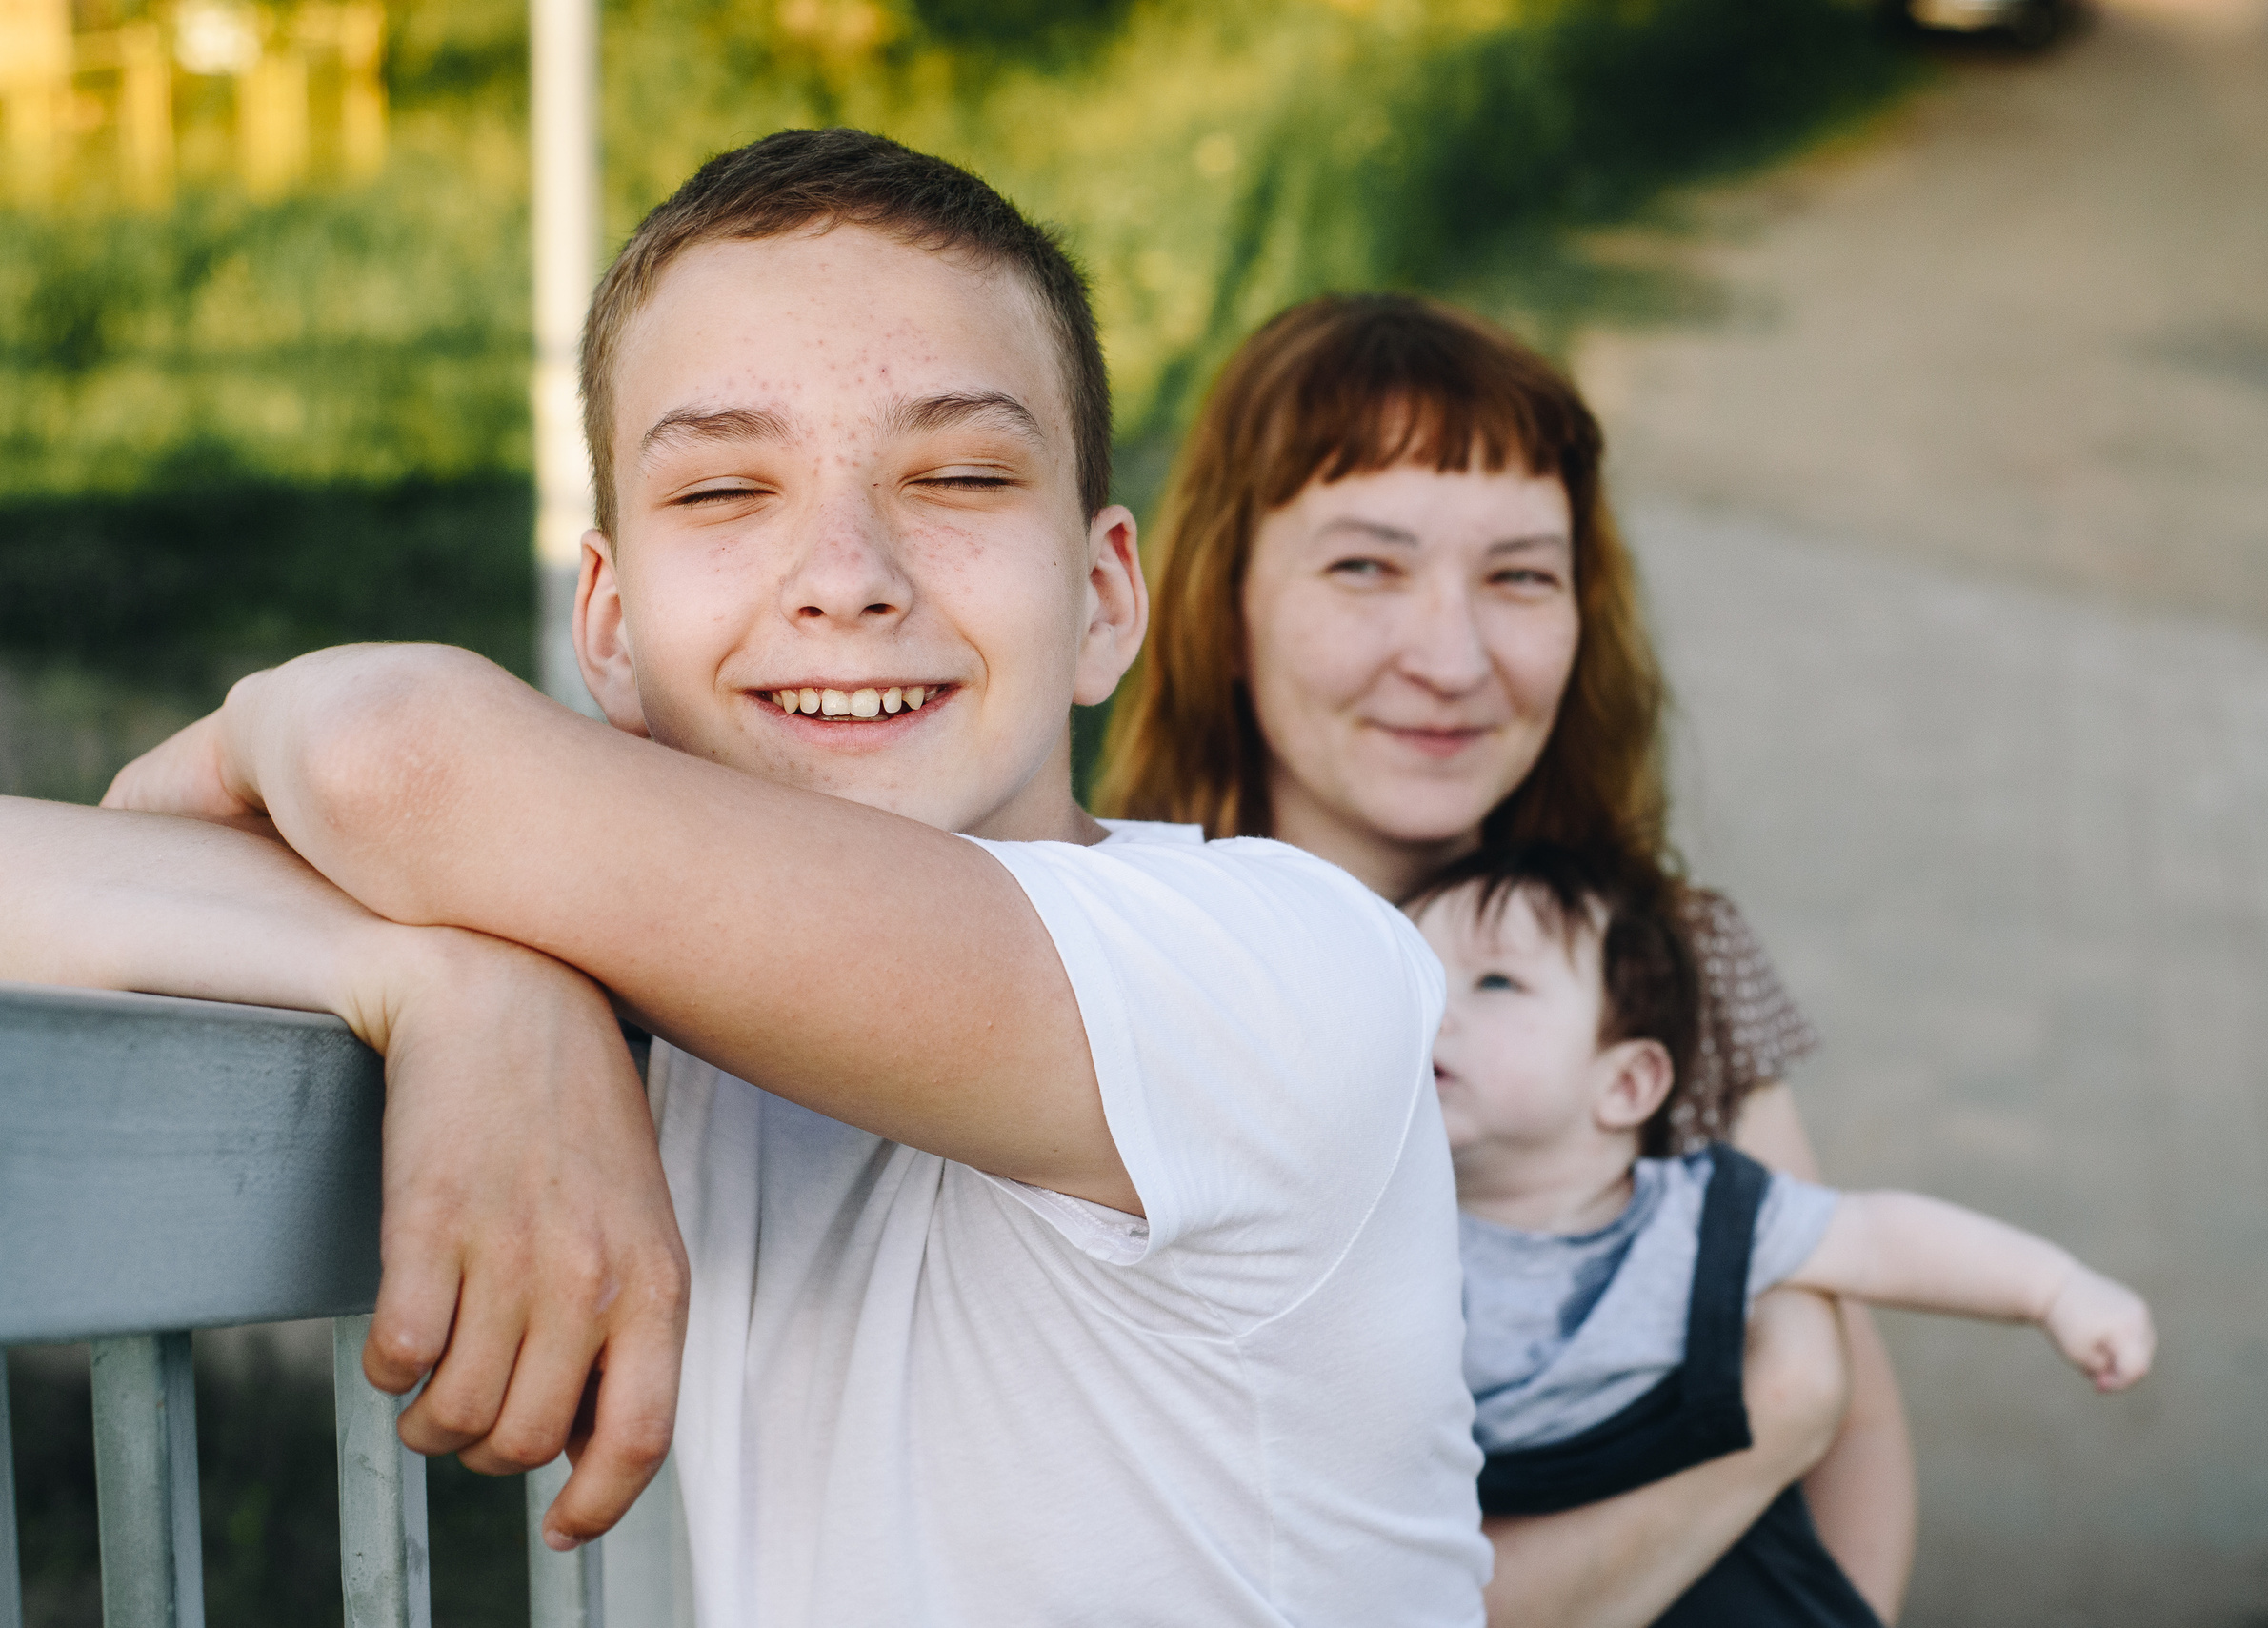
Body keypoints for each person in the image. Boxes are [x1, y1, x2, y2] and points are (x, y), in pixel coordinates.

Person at [3, 130, 1495, 1624]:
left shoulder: (1280, 972)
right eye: (724, 491)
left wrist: (272, 727)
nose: (847, 574)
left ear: (1104, 599)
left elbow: (396, 757)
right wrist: (451, 976)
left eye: (960, 474)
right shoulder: (633, 964)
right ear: (609, 629)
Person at [1096, 291, 1922, 1622]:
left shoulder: (1668, 953)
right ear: (1223, 605)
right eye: (1365, 568)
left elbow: (1856, 1430)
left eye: (1520, 576)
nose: (1452, 656)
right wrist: (1772, 1413)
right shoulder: (1120, 980)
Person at [1412, 841, 2152, 1624]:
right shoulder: (1384, 1233)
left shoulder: (1702, 1218)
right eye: (1414, 974)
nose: (1432, 1008)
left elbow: (1875, 1237)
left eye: (1496, 981)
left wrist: (2054, 1286)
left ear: (1626, 1082)